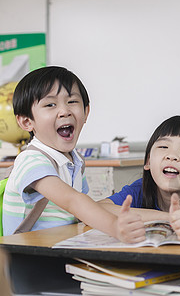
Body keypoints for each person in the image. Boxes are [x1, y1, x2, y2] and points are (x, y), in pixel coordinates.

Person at [2, 66, 145, 243]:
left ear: (86, 112)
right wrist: (115, 226)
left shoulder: (75, 161)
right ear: (26, 121)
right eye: (50, 105)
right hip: (25, 257)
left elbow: (82, 208)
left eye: (72, 102)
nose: (64, 111)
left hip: (62, 245)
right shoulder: (31, 159)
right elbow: (72, 200)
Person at [99, 115, 180, 241]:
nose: (172, 156)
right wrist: (168, 218)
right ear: (148, 161)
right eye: (163, 147)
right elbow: (98, 209)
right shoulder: (140, 189)